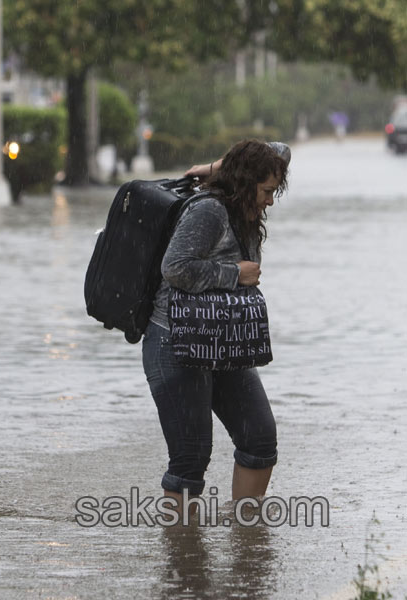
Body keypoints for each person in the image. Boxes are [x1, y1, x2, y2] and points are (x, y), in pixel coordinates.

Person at [143, 139, 290, 515]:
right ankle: (183, 557)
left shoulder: (242, 201)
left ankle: (247, 540)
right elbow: (174, 268)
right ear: (245, 183)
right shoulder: (209, 211)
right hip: (176, 341)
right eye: (267, 191)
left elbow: (280, 148)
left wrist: (217, 166)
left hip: (224, 341)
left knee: (259, 438)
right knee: (190, 458)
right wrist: (233, 274)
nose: (271, 201)